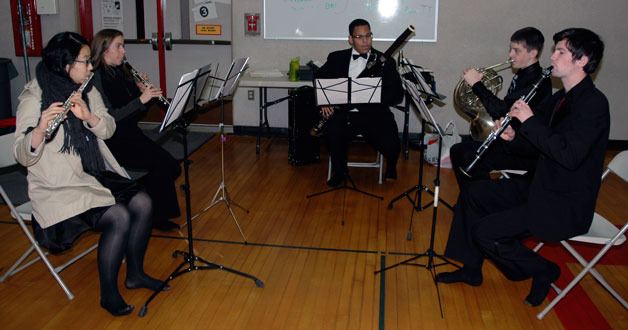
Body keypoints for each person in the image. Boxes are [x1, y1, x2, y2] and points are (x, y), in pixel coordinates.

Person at [436, 28, 609, 307]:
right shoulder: (560, 97)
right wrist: (515, 137)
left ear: (582, 59)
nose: (552, 56)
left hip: (564, 203)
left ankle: (544, 270)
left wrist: (528, 122)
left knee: (486, 232)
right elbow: (536, 145)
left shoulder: (594, 105)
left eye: (560, 51)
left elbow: (569, 155)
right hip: (540, 185)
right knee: (473, 194)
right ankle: (471, 270)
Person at [14, 32, 167, 316]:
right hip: (58, 186)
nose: (90, 67)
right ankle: (108, 295)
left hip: (92, 172)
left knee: (143, 202)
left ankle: (134, 274)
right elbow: (22, 154)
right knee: (119, 215)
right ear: (65, 64)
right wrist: (37, 132)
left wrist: (90, 118)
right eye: (85, 61)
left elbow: (108, 128)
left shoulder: (86, 89)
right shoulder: (34, 95)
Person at [91, 29, 181, 231]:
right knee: (165, 166)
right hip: (113, 140)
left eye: (123, 46)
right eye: (119, 46)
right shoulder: (96, 79)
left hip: (130, 135)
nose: (123, 51)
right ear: (104, 50)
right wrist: (142, 99)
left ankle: (137, 196)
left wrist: (141, 92)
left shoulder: (122, 71)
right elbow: (111, 118)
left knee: (171, 167)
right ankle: (152, 213)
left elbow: (135, 112)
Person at [450, 27, 552, 187]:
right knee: (458, 150)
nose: (510, 54)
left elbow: (503, 110)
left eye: (516, 50)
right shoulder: (522, 74)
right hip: (510, 140)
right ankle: (473, 199)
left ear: (533, 53)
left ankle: (480, 200)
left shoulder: (538, 81)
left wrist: (477, 84)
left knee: (466, 155)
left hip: (523, 150)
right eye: (510, 49)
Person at [315, 18, 404, 187]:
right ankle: (339, 172)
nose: (365, 41)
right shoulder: (336, 58)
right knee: (333, 131)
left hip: (374, 113)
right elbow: (319, 77)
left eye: (368, 36)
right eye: (359, 37)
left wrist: (373, 94)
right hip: (344, 113)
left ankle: (391, 165)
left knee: (391, 141)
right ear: (350, 39)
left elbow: (397, 94)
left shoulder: (385, 62)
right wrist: (324, 101)